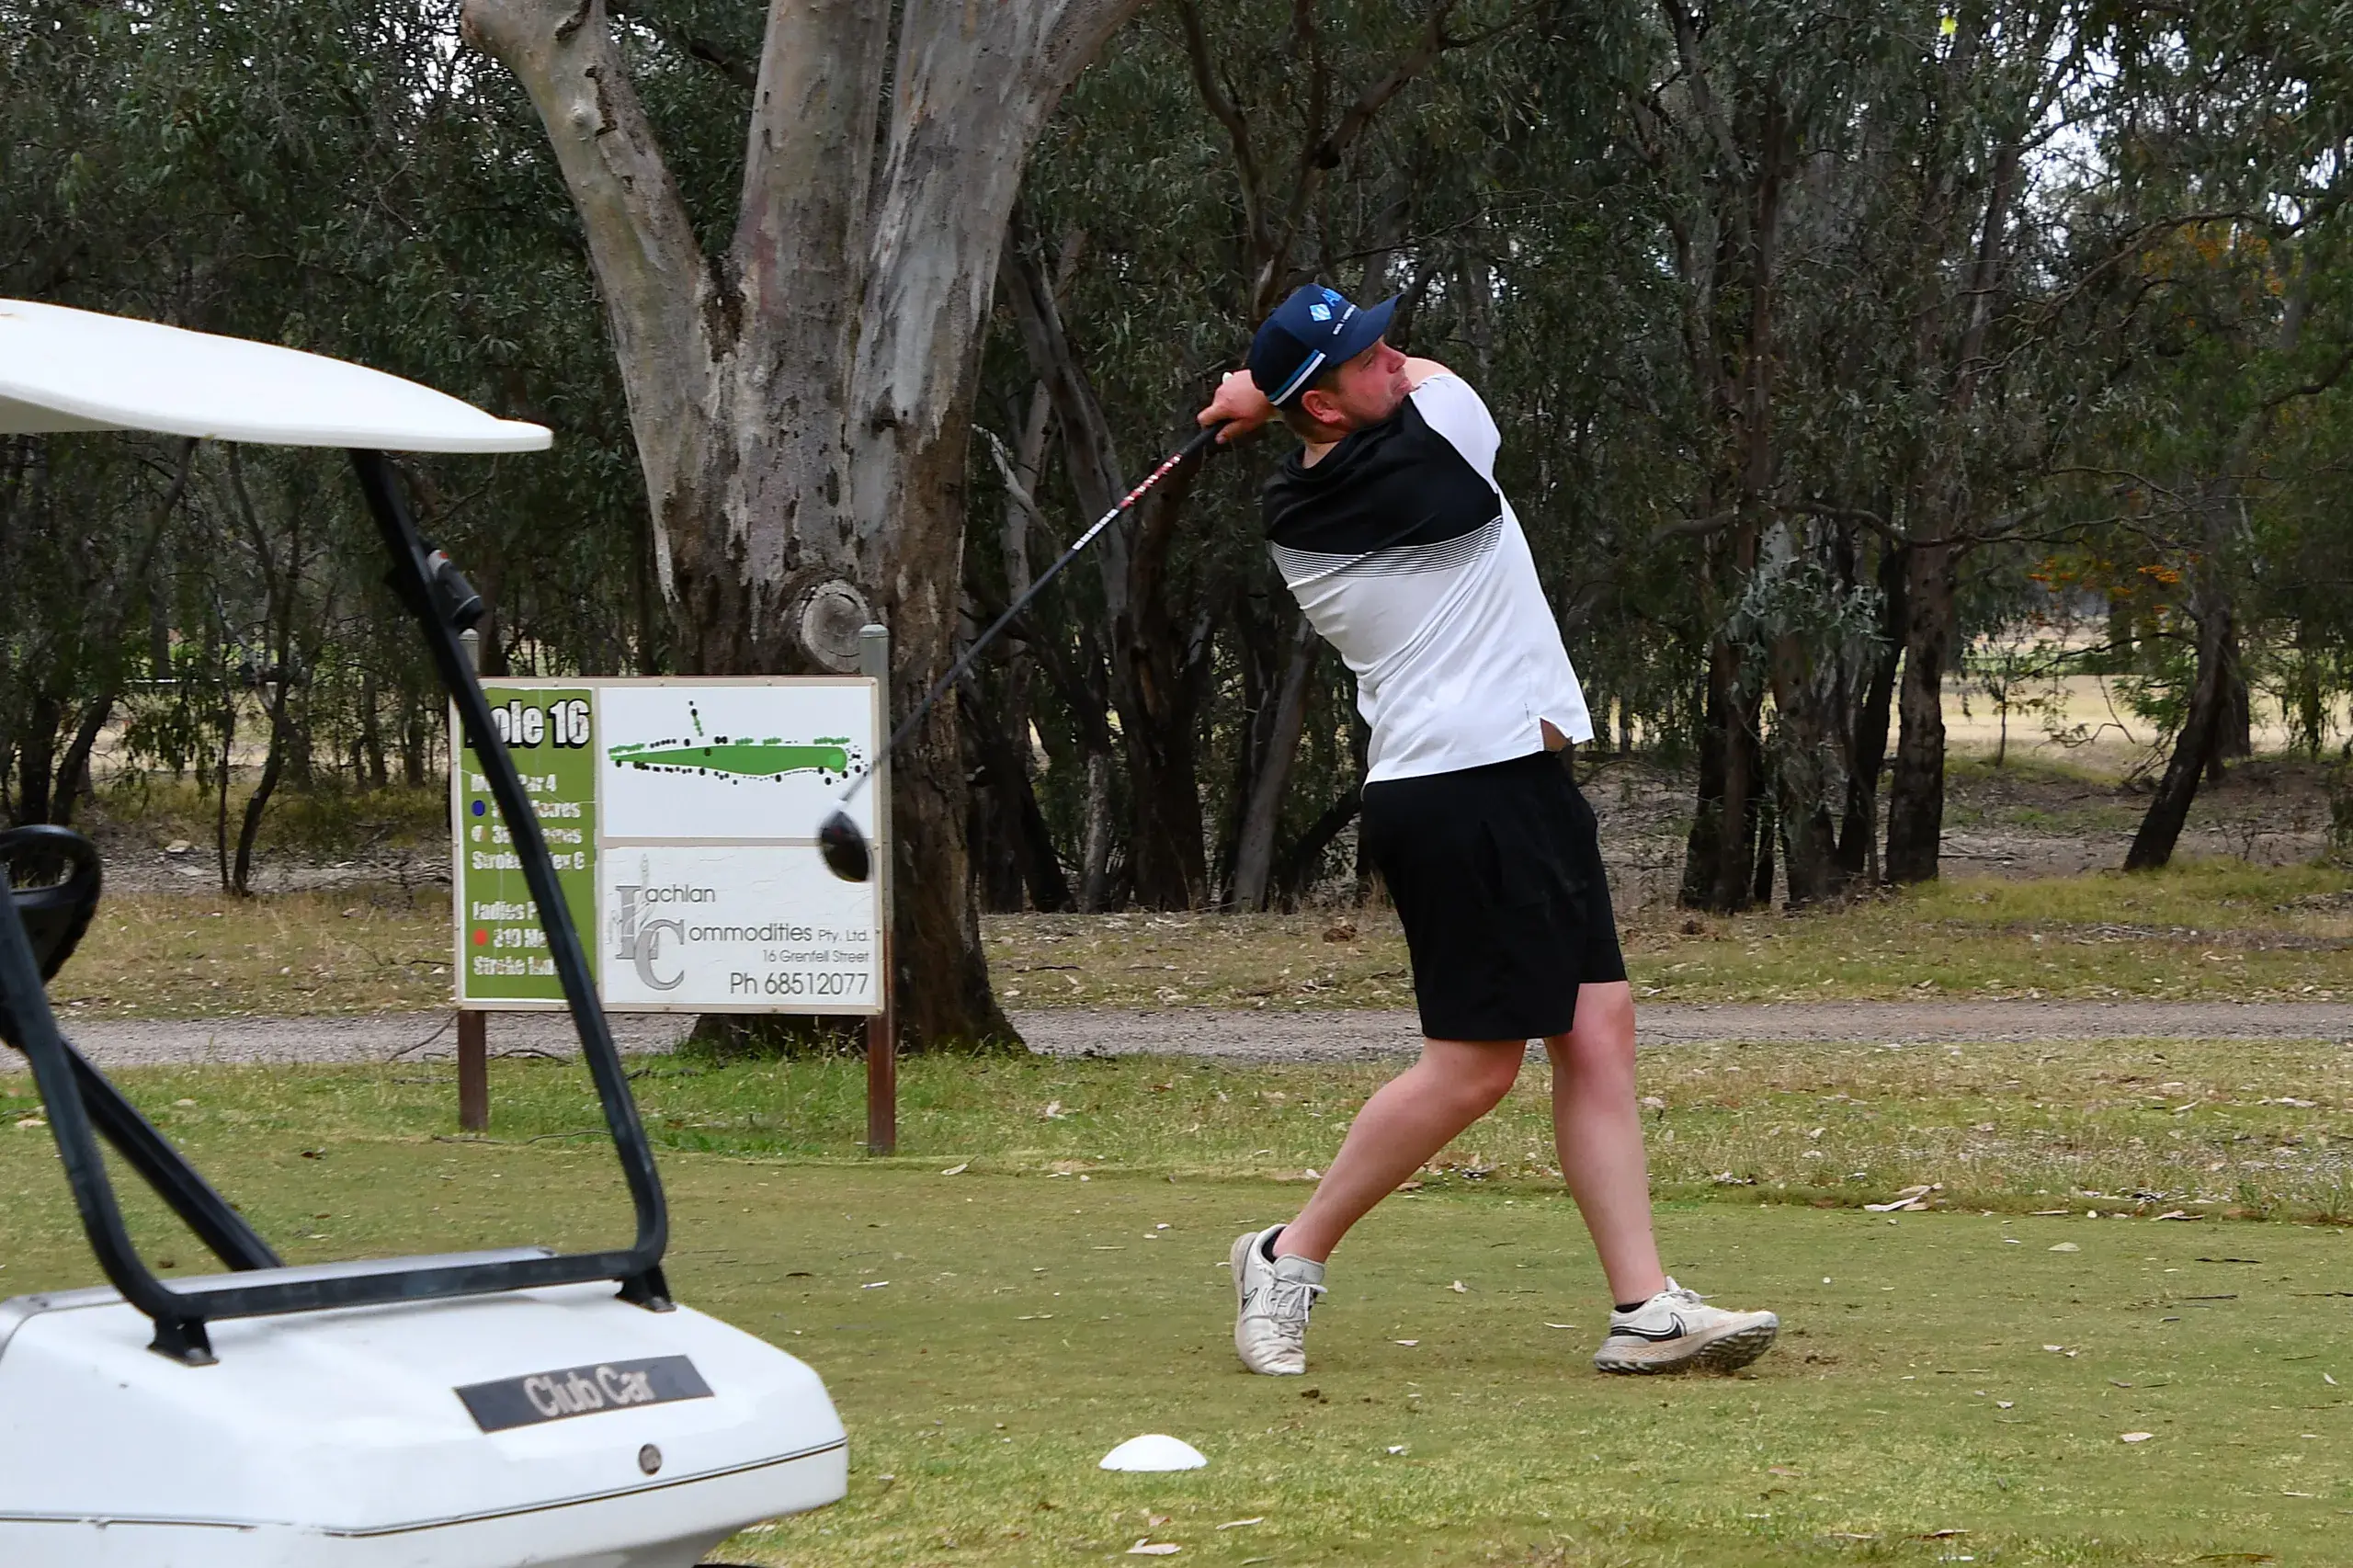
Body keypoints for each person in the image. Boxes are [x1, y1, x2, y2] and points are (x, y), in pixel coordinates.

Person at [1197, 284, 1779, 1378]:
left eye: (1385, 342)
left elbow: (1377, 390)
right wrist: (1258, 394)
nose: (1395, 358)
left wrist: (1268, 396)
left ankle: (1643, 1307)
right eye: (1367, 358)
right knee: (1472, 1070)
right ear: (1322, 406)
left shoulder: (1296, 501)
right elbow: (1437, 383)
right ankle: (1285, 1253)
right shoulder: (1442, 445)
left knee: (1597, 1031)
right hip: (1463, 793)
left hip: (1509, 780)